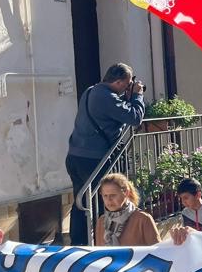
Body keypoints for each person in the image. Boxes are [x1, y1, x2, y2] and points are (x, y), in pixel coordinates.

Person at [65, 63, 146, 245]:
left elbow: (112, 113)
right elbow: (135, 118)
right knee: (103, 202)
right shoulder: (106, 97)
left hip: (75, 156)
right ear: (118, 82)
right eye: (127, 84)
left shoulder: (91, 91)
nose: (128, 87)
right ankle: (102, 242)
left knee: (81, 202)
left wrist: (128, 96)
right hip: (93, 160)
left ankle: (79, 242)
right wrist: (137, 96)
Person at [94, 174, 158, 246]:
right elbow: (99, 250)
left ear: (126, 193)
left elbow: (157, 250)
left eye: (113, 195)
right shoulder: (101, 221)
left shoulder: (142, 219)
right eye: (105, 195)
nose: (109, 200)